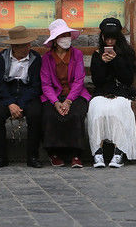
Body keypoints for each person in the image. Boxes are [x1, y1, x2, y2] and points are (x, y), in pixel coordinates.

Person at [87, 18, 136, 168]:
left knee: (118, 109)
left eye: (113, 38)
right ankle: (97, 151)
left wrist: (116, 61)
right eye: (107, 38)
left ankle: (119, 151)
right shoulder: (97, 54)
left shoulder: (126, 53)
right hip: (102, 93)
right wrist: (102, 63)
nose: (110, 42)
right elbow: (97, 81)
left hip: (121, 92)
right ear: (102, 37)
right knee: (96, 109)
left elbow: (128, 79)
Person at [40, 19, 91, 168]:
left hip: (75, 94)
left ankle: (76, 154)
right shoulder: (47, 58)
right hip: (54, 96)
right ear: (55, 40)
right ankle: (54, 153)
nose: (66, 38)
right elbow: (46, 84)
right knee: (49, 115)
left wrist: (68, 101)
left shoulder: (77, 54)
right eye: (63, 36)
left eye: (68, 35)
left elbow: (79, 80)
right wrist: (56, 102)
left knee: (76, 114)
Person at [0, 26, 43, 168]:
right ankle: (0, 157)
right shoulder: (3, 57)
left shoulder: (35, 58)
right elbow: (0, 84)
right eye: (24, 45)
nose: (28, 47)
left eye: (28, 44)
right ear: (14, 47)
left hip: (28, 95)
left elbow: (36, 85)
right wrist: (10, 103)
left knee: (35, 114)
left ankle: (33, 157)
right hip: (8, 94)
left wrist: (20, 104)